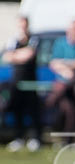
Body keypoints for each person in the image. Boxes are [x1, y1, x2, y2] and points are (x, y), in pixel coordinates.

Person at [46, 20, 75, 145]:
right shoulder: (60, 43)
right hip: (63, 83)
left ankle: (68, 139)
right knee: (68, 109)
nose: (74, 32)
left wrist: (63, 64)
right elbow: (53, 63)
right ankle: (66, 138)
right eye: (72, 29)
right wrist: (67, 70)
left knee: (73, 110)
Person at [0, 16, 41, 152]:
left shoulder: (33, 39)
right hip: (17, 81)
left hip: (31, 80)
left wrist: (15, 55)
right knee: (18, 109)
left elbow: (29, 55)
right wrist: (18, 55)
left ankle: (35, 138)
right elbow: (6, 56)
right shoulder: (13, 40)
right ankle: (19, 137)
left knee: (33, 110)